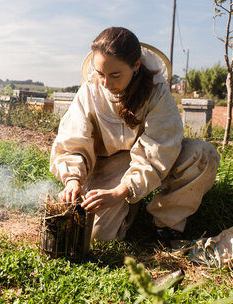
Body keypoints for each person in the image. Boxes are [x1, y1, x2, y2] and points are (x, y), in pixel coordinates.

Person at [50, 27, 220, 245]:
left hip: (154, 162)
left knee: (202, 155)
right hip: (108, 165)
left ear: (136, 65)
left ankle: (167, 225)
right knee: (98, 237)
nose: (106, 83)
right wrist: (73, 179)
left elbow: (159, 149)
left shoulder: (157, 94)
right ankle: (130, 213)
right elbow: (73, 141)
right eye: (100, 74)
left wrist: (122, 191)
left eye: (115, 75)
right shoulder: (89, 92)